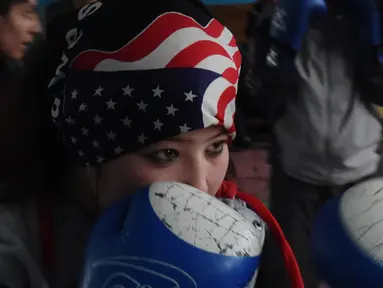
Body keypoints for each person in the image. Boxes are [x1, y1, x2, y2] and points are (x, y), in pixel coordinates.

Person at [0, 0, 303, 287]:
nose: (199, 187)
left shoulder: (248, 237)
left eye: (214, 148)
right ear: (90, 150)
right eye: (166, 154)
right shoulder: (16, 245)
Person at [246, 1, 383, 288]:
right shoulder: (276, 14)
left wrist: (373, 46)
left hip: (364, 172)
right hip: (297, 174)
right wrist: (282, 45)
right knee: (289, 276)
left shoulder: (373, 11)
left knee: (365, 274)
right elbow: (259, 96)